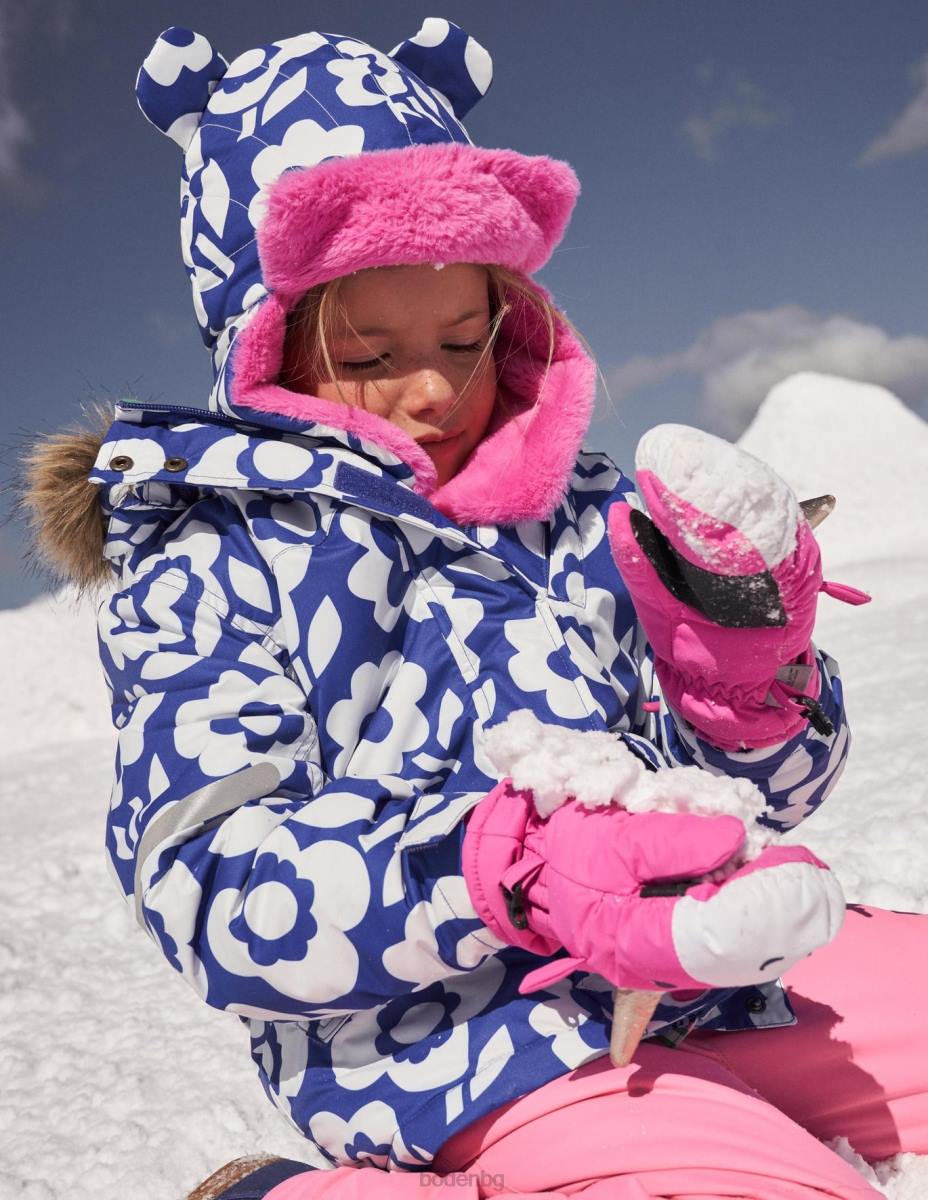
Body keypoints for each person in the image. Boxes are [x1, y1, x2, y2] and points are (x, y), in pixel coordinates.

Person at [23, 18, 926, 1200]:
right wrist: (508, 865)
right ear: (265, 346)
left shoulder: (584, 509)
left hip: (701, 975)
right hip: (452, 1050)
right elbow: (213, 884)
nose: (436, 387)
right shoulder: (212, 559)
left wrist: (742, 683)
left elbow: (747, 795)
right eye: (369, 354)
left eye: (464, 336)